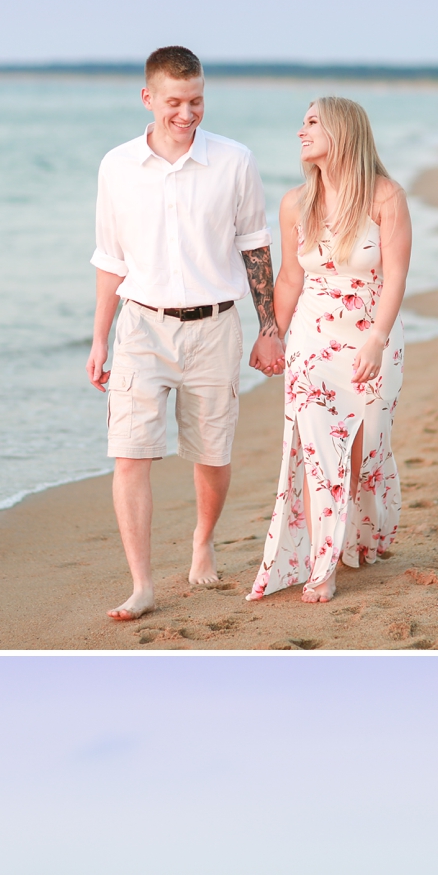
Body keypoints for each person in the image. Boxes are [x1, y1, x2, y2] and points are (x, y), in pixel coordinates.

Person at [87, 45, 285, 621]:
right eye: (174, 102)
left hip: (215, 328)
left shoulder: (234, 161)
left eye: (196, 100)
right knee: (130, 455)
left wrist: (268, 328)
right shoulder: (116, 166)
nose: (186, 113)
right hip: (141, 329)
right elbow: (109, 259)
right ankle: (142, 584)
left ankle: (203, 540)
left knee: (211, 454)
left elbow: (255, 245)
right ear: (148, 98)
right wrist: (100, 338)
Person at [247, 99, 411, 604]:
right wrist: (270, 331)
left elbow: (396, 277)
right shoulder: (297, 202)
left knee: (361, 454)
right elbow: (292, 277)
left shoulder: (385, 197)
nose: (301, 130)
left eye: (312, 122)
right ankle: (323, 567)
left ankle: (355, 538)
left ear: (342, 130)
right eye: (302, 121)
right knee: (319, 453)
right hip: (312, 338)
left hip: (371, 335)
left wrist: (377, 340)